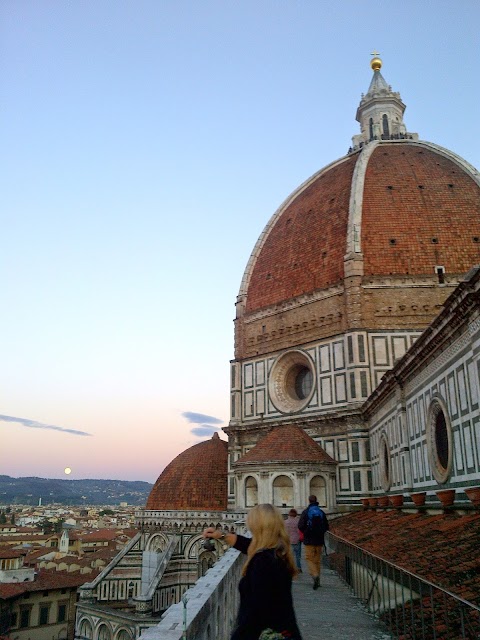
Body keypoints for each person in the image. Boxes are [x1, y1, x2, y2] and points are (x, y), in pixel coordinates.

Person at [203, 503, 302, 640]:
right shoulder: (278, 552)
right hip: (286, 631)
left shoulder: (262, 562)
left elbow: (255, 613)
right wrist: (221, 535)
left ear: (258, 527)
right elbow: (248, 545)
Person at [298, 495, 329, 590]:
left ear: (309, 501)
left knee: (309, 559)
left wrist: (306, 532)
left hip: (309, 540)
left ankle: (315, 575)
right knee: (317, 560)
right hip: (319, 540)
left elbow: (300, 525)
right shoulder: (321, 512)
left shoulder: (306, 512)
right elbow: (326, 526)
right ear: (316, 501)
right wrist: (320, 532)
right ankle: (318, 579)